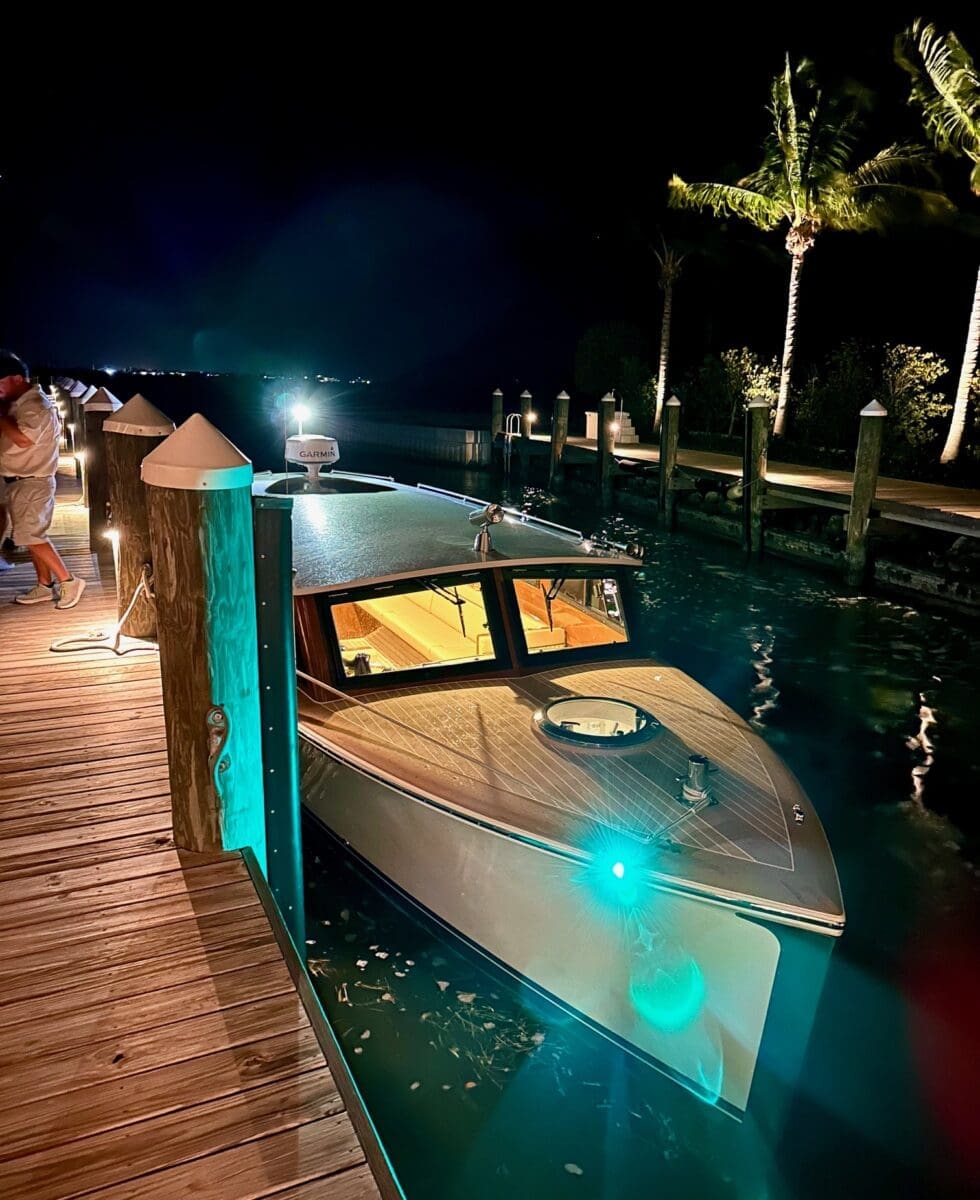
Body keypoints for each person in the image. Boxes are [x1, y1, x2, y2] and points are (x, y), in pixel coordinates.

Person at [0, 350, 85, 608]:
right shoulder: (21, 402)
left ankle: (69, 580)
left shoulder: (35, 405)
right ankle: (44, 585)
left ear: (16, 378)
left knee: (31, 536)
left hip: (32, 481)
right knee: (31, 534)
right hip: (20, 481)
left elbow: (24, 438)